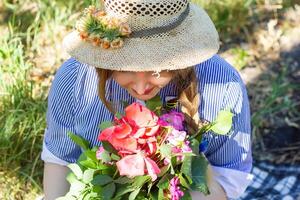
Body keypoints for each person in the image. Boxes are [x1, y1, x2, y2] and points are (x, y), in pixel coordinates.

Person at [42, 0, 253, 199]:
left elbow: (229, 179)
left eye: (158, 69)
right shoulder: (75, 79)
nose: (141, 87)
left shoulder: (222, 84)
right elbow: (60, 163)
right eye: (125, 67)